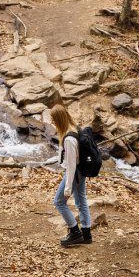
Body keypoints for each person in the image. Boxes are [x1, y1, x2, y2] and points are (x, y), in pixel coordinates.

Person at [50, 104, 92, 247]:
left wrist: (68, 187)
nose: (52, 123)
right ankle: (86, 234)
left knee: (59, 202)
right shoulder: (74, 129)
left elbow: (71, 166)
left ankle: (75, 232)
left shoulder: (69, 139)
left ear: (59, 119)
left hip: (74, 173)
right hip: (81, 171)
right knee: (81, 201)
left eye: (54, 120)